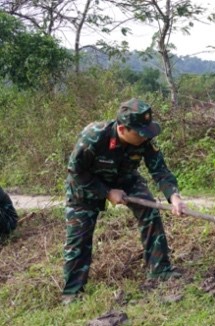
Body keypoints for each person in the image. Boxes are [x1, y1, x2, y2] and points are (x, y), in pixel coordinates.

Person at [62, 98, 187, 303]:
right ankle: (72, 292)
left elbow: (160, 170)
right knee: (79, 236)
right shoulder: (94, 136)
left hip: (125, 178)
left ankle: (159, 270)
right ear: (122, 128)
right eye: (140, 132)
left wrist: (174, 196)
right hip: (87, 185)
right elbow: (76, 172)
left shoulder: (144, 139)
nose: (145, 136)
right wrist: (107, 192)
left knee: (150, 210)